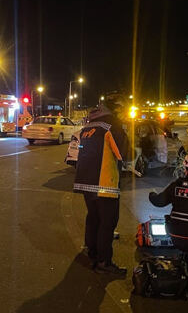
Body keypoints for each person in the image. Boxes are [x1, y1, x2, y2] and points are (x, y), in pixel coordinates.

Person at [74, 93, 129, 275]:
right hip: (104, 182)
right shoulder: (111, 125)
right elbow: (122, 153)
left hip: (84, 181)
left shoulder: (89, 126)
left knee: (93, 218)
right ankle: (104, 262)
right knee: (108, 222)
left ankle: (92, 253)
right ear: (117, 109)